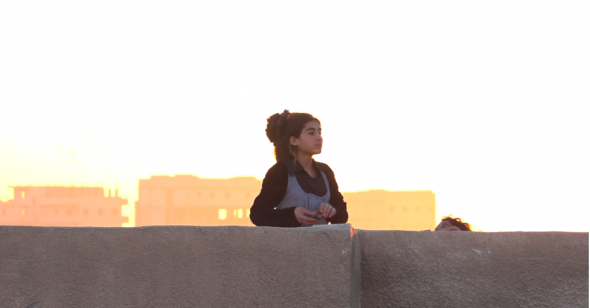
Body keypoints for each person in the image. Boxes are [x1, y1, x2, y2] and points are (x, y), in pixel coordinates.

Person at [249, 110, 348, 227]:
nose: (319, 138)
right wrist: (292, 214)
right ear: (294, 140)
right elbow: (258, 214)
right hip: (289, 244)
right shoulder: (280, 172)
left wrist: (333, 211)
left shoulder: (325, 171)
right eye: (311, 133)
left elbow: (342, 215)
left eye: (319, 132)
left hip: (322, 244)